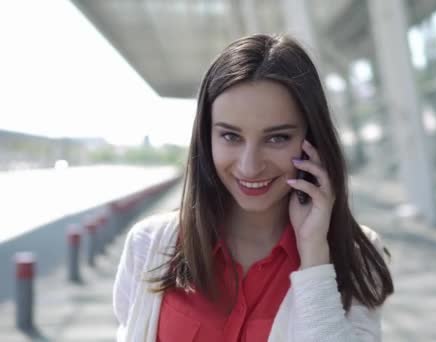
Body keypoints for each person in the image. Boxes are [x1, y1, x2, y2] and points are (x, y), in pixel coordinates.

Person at [113, 34, 394, 342]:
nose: (249, 166)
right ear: (207, 139)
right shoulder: (149, 244)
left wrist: (315, 254)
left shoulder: (357, 255)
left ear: (312, 138)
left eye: (277, 138)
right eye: (231, 136)